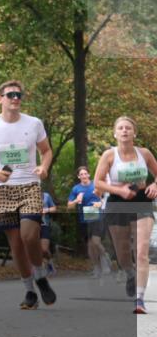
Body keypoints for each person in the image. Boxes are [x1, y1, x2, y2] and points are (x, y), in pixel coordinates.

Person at [0, 80, 57, 310]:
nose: (15, 98)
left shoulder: (34, 123)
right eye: (10, 95)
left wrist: (44, 167)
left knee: (29, 235)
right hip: (3, 189)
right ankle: (29, 291)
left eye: (19, 94)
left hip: (29, 185)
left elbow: (46, 151)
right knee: (17, 245)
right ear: (0, 98)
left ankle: (40, 276)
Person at [92, 116, 157, 314]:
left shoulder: (144, 153)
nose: (124, 131)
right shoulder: (109, 155)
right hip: (118, 202)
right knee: (122, 252)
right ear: (115, 133)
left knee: (141, 250)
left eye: (128, 128)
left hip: (141, 201)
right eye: (120, 128)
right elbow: (98, 183)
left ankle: (139, 299)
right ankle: (129, 273)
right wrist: (119, 191)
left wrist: (154, 184)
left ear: (134, 133)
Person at [67, 166, 106, 277]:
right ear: (78, 176)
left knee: (96, 242)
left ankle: (105, 257)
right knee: (90, 246)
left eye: (85, 173)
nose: (84, 176)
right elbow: (69, 206)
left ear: (89, 174)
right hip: (83, 217)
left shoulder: (96, 184)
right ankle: (97, 268)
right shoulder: (76, 189)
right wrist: (76, 200)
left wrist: (100, 204)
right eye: (81, 174)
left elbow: (106, 199)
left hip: (96, 214)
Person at [40, 190, 56, 276]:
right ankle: (42, 268)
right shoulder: (27, 195)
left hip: (44, 224)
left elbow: (54, 208)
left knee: (44, 249)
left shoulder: (46, 195)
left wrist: (46, 210)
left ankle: (50, 264)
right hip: (31, 225)